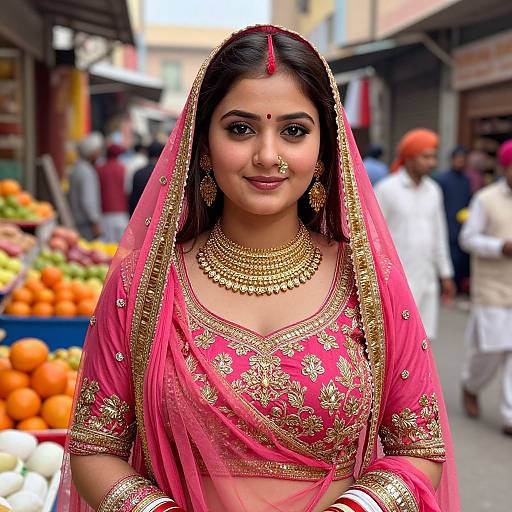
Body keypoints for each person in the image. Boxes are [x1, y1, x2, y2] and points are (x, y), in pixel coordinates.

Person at [61, 26, 459, 512]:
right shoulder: (143, 285)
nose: (268, 156)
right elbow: (94, 447)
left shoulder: (369, 284)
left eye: (294, 131)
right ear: (202, 144)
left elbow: (419, 445)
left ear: (323, 148)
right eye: (240, 128)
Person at [375, 129, 456, 340]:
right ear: (409, 158)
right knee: (398, 340)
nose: (432, 162)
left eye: (433, 157)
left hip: (427, 278)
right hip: (396, 282)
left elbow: (439, 234)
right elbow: (373, 237)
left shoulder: (434, 191)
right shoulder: (387, 189)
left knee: (423, 341)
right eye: (426, 157)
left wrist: (445, 273)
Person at [459, 138, 512, 436]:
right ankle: (471, 384)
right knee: (489, 353)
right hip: (493, 289)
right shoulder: (486, 198)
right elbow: (468, 238)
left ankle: (510, 416)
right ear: (505, 167)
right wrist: (498, 247)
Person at [436, 146, 472, 294]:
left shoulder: (466, 181)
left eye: (463, 160)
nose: (460, 162)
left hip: (460, 227)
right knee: (445, 257)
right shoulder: (442, 179)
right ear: (452, 160)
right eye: (458, 159)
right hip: (445, 225)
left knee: (458, 260)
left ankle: (455, 288)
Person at [68, 132, 103, 240]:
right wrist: (95, 222)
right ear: (91, 153)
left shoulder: (77, 168)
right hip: (85, 224)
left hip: (78, 221)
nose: (99, 154)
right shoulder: (86, 172)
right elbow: (88, 201)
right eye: (98, 151)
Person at [96, 144, 130, 243]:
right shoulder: (123, 168)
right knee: (121, 245)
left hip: (105, 212)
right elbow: (127, 189)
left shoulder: (99, 169)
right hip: (120, 212)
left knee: (107, 245)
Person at [128, 140, 165, 216]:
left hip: (140, 216)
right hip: (157, 217)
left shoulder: (138, 173)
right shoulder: (164, 174)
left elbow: (133, 200)